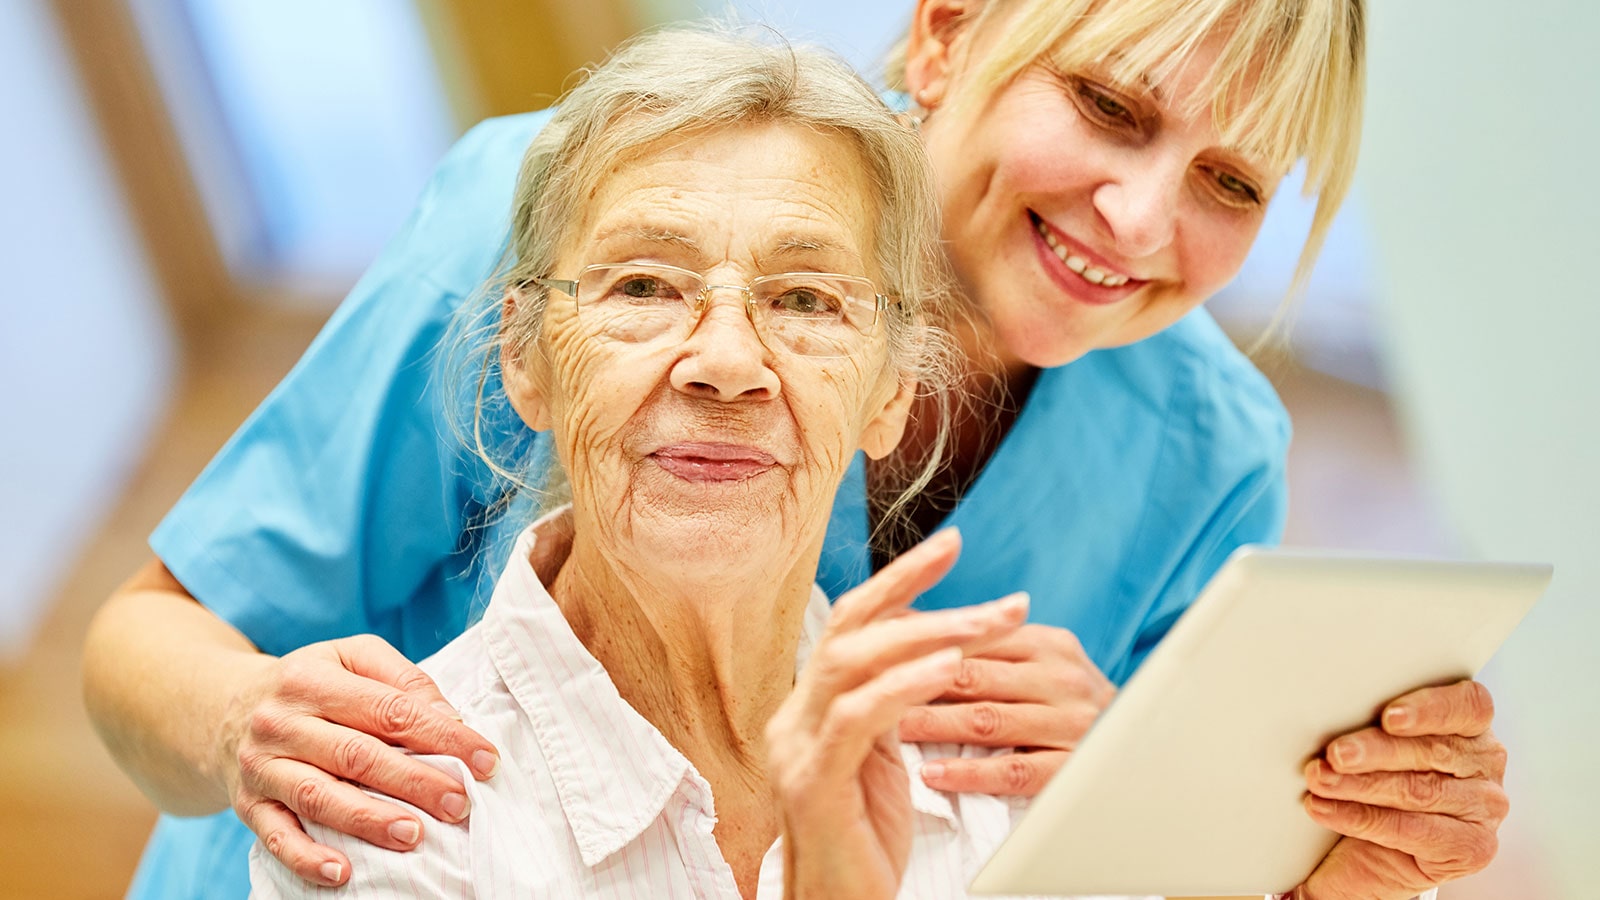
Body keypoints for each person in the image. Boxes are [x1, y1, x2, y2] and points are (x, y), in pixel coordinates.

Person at [83, 2, 1508, 899]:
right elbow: (152, 637)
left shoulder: (1208, 454)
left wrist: (1307, 824)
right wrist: (239, 723)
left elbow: (1116, 864)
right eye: (1109, 106)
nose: (1140, 219)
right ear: (946, 34)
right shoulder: (568, 225)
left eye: (1231, 182)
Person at [253, 31, 1040, 897]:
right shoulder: (388, 821)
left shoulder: (995, 778)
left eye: (807, 298)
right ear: (524, 355)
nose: (729, 362)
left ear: (891, 391)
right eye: (644, 286)